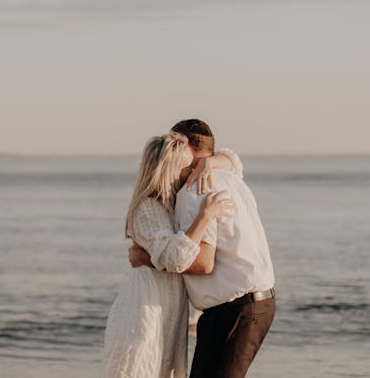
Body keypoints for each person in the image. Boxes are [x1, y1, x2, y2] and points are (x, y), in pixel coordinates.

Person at [130, 119, 275, 378]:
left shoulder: (194, 190)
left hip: (232, 311)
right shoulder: (230, 177)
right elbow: (234, 161)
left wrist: (145, 256)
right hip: (258, 305)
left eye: (176, 146)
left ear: (187, 149)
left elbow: (202, 263)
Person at [102, 132, 239, 378]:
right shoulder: (147, 208)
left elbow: (234, 163)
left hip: (166, 311)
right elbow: (175, 259)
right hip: (145, 311)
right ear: (169, 169)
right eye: (188, 167)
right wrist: (205, 216)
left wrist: (209, 162)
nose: (193, 172)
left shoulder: (170, 203)